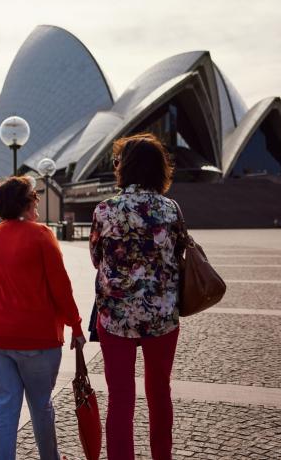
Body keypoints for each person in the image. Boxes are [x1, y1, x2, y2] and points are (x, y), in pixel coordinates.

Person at [0, 176, 85, 460]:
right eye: (34, 198)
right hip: (37, 337)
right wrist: (75, 324)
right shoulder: (41, 234)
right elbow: (60, 286)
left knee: (5, 408)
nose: (37, 203)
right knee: (40, 404)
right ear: (26, 203)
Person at [89, 133, 183, 460]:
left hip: (116, 317)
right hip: (162, 316)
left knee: (120, 400)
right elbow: (178, 254)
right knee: (160, 394)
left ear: (123, 168)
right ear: (159, 169)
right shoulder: (171, 209)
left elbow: (96, 258)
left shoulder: (105, 210)